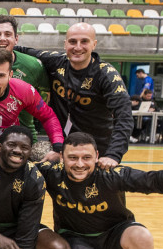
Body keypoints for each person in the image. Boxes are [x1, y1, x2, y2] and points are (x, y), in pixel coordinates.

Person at [11, 23, 134, 170]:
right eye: (72, 42)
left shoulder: (106, 75)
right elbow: (21, 50)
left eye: (84, 41)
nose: (77, 47)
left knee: (101, 191)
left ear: (94, 44)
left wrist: (114, 155)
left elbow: (124, 117)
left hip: (98, 150)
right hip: (64, 146)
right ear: (65, 44)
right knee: (35, 156)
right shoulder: (57, 62)